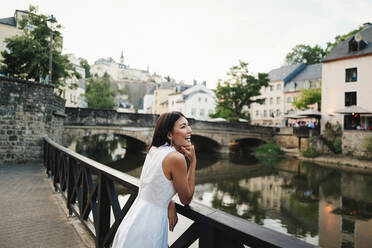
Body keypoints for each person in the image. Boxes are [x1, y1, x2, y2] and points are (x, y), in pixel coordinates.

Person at [112, 111, 197, 248]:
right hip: (151, 225)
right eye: (183, 126)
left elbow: (157, 185)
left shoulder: (154, 150)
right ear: (169, 134)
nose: (190, 130)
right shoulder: (176, 158)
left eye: (188, 126)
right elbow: (186, 199)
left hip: (134, 219)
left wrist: (169, 201)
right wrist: (193, 162)